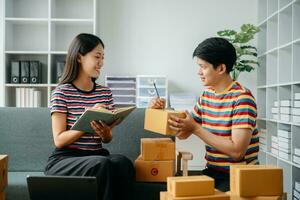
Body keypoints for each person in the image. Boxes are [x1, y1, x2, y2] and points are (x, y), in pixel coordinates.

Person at [149, 37, 259, 192]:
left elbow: (237, 151)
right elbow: (182, 133)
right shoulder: (207, 95)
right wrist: (160, 111)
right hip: (213, 173)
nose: (198, 72)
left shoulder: (242, 99)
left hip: (240, 175)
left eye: (203, 67)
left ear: (221, 68)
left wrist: (196, 129)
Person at [45, 33, 134, 200]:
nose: (101, 62)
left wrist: (106, 133)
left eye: (103, 57)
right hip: (66, 159)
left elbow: (106, 139)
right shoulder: (61, 92)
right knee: (102, 164)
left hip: (97, 154)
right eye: (97, 56)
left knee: (123, 164)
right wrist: (88, 118)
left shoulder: (104, 93)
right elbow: (59, 140)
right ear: (79, 57)